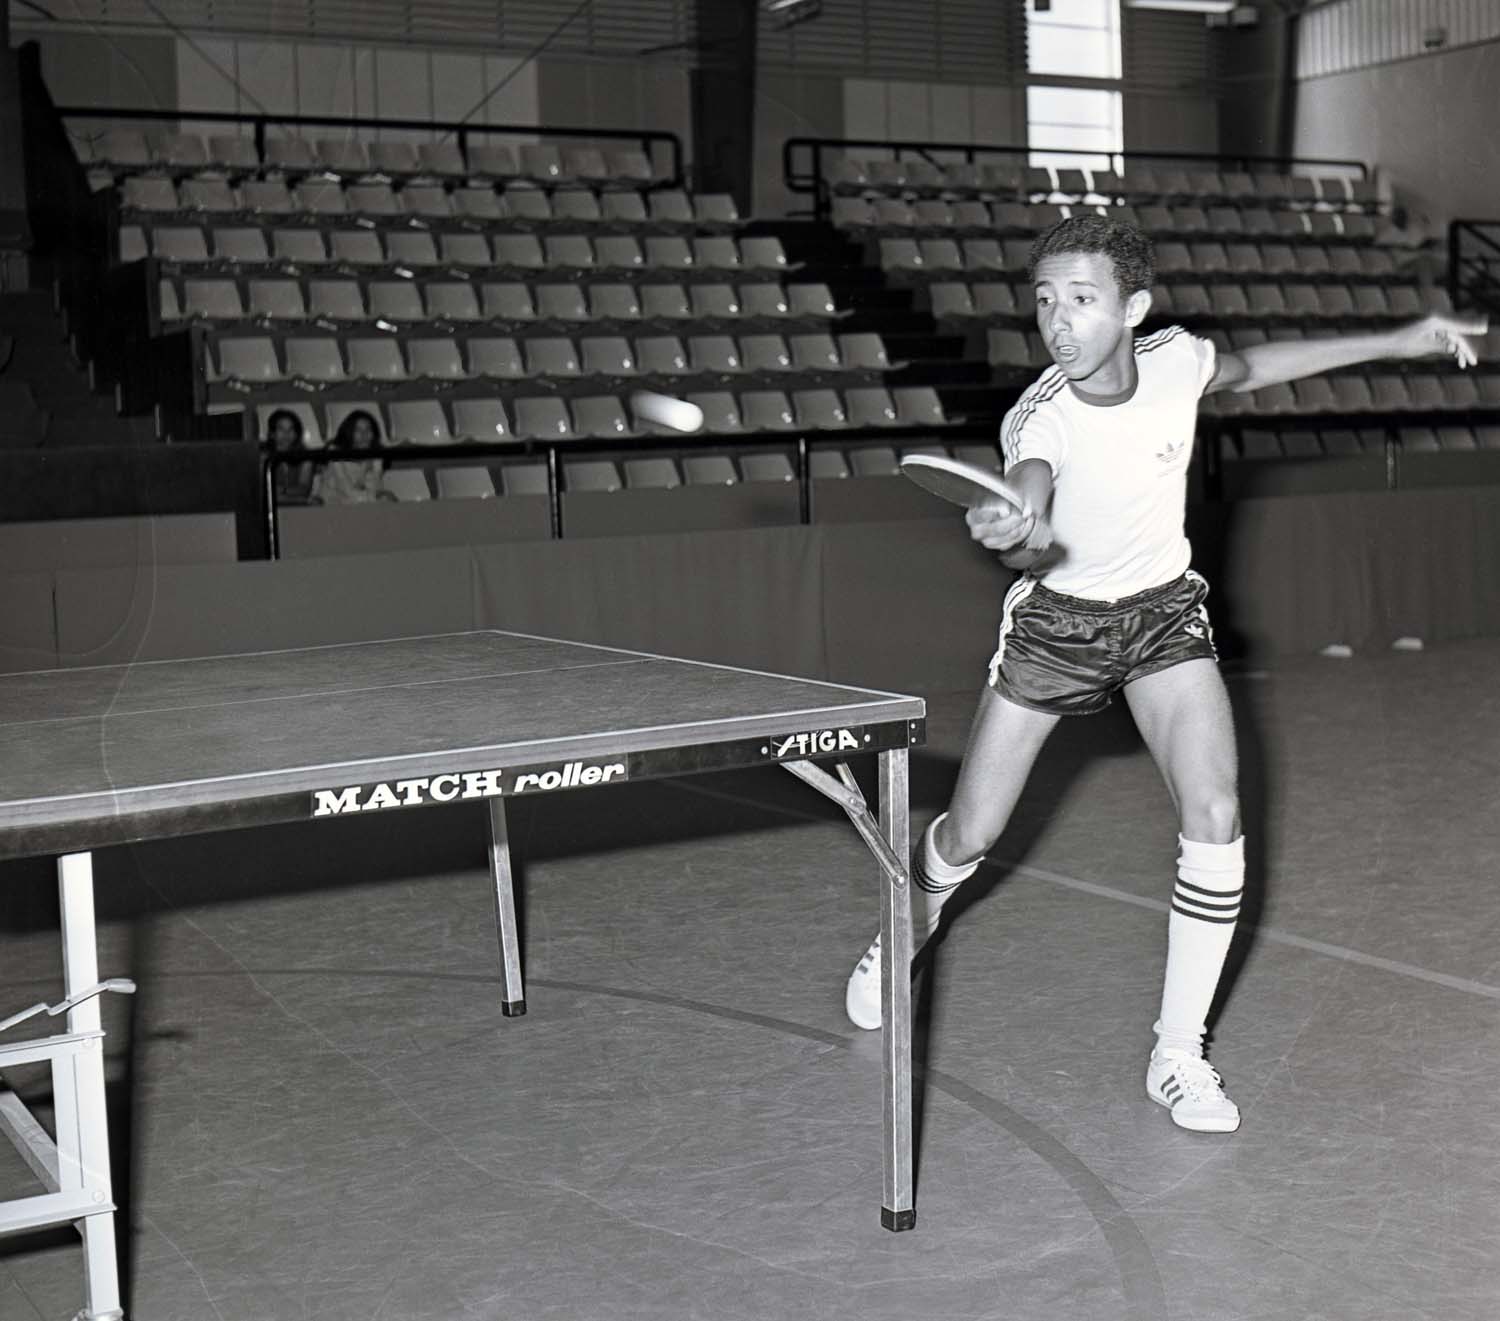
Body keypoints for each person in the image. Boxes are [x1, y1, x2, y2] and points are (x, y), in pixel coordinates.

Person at [844, 214, 1486, 1134]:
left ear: (1133, 308)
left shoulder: (1179, 359)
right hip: (1057, 630)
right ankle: (905, 926)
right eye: (1045, 301)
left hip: (1162, 618)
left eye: (1082, 299)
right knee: (970, 832)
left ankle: (1177, 1054)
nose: (1058, 320)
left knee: (1216, 814)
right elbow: (1028, 493)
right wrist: (1012, 526)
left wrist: (1402, 337)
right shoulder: (1040, 414)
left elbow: (1253, 368)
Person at [312, 409, 392, 505]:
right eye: (358, 430)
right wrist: (364, 469)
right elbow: (348, 493)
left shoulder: (377, 454)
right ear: (349, 432)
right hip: (334, 504)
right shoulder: (335, 452)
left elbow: (375, 489)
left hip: (363, 504)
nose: (364, 434)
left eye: (368, 429)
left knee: (387, 499)